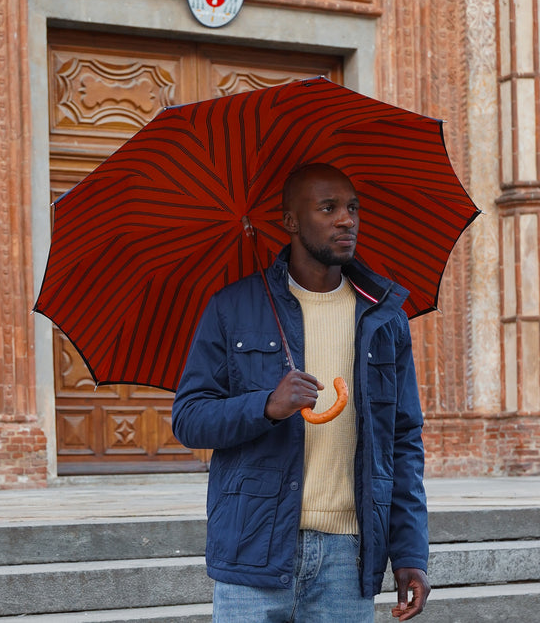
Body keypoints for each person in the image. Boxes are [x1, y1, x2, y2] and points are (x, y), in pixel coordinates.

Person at [172, 163, 430, 622]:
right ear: (290, 221)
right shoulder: (233, 307)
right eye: (327, 208)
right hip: (254, 551)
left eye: (352, 207)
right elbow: (189, 418)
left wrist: (409, 551)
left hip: (346, 559)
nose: (346, 220)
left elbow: (403, 441)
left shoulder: (384, 317)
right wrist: (266, 406)